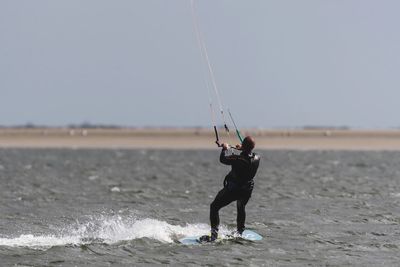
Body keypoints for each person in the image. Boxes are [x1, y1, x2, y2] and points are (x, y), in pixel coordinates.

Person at [200, 136, 260, 242]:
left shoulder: (238, 159)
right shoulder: (257, 158)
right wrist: (243, 148)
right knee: (241, 206)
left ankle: (213, 235)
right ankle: (240, 231)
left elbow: (223, 159)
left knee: (214, 207)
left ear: (244, 146)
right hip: (247, 190)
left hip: (234, 190)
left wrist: (224, 148)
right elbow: (247, 155)